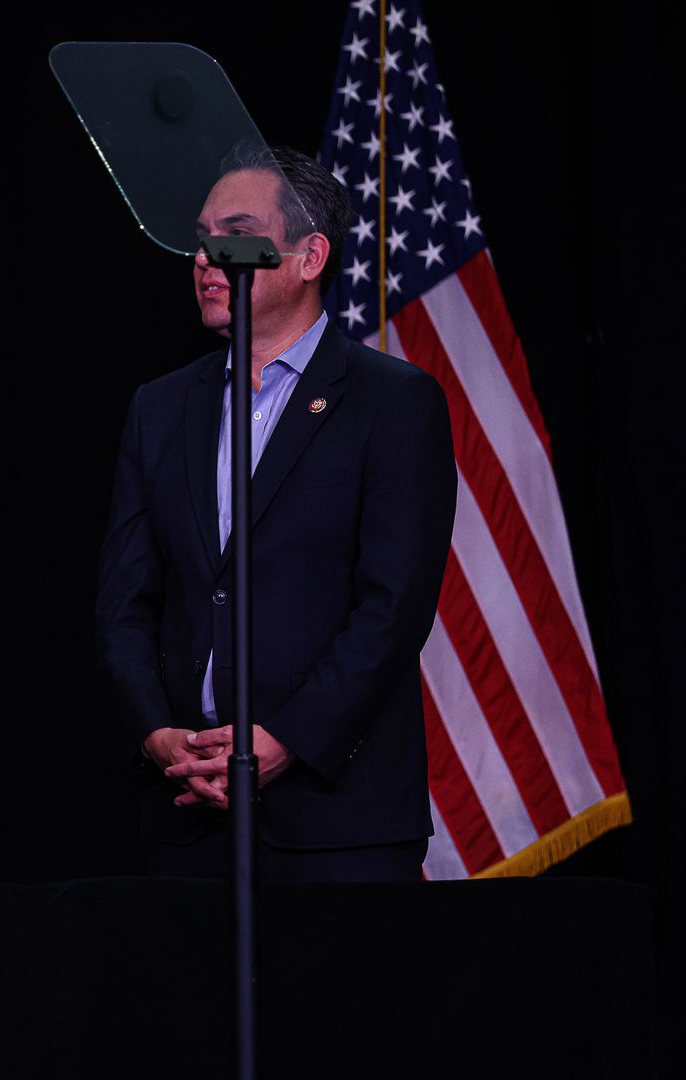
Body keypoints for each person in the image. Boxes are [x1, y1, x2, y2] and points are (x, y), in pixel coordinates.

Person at [94, 145, 456, 882]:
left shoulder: (393, 403)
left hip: (338, 824)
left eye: (232, 235)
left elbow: (393, 609)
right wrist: (160, 734)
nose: (203, 258)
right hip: (187, 815)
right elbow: (125, 604)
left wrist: (285, 739)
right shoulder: (158, 409)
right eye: (199, 239)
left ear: (308, 256)